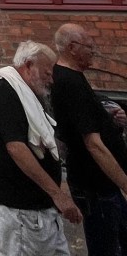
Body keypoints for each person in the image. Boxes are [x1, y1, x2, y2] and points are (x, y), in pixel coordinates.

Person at [0, 39, 81, 255]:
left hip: (39, 206)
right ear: (28, 66)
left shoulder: (27, 90)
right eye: (47, 73)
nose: (51, 80)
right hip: (19, 207)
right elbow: (16, 147)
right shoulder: (4, 90)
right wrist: (58, 195)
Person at [51, 23, 127, 256]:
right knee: (107, 246)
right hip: (96, 185)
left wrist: (107, 118)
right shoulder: (69, 83)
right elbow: (93, 144)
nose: (93, 50)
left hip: (101, 184)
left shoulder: (73, 77)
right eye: (89, 46)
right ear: (72, 48)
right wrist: (125, 183)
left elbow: (83, 119)